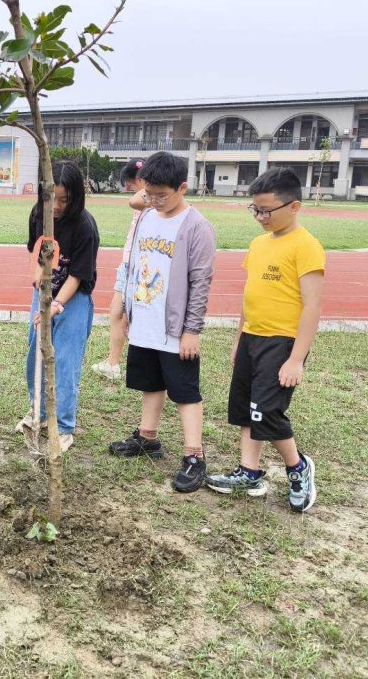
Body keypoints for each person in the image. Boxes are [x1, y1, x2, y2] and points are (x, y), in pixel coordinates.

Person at [206, 167, 324, 513]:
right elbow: (251, 295)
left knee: (268, 412)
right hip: (251, 338)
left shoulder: (306, 246)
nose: (259, 217)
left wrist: (296, 359)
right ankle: (249, 472)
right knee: (246, 409)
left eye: (266, 211)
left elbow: (312, 306)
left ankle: (298, 467)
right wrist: (238, 338)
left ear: (294, 206)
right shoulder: (259, 244)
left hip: (281, 342)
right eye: (255, 210)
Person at [107, 152, 216, 493]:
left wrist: (191, 331)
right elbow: (135, 265)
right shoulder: (145, 216)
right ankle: (148, 437)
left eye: (161, 196)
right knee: (150, 383)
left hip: (175, 328)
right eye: (149, 194)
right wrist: (129, 310)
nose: (153, 201)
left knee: (184, 392)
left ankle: (194, 455)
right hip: (145, 318)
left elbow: (200, 283)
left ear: (182, 187)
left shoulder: (197, 227)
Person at [16, 162, 99, 452]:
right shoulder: (38, 214)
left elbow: (77, 275)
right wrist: (38, 276)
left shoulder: (84, 226)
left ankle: (63, 426)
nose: (58, 206)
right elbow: (37, 252)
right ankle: (37, 412)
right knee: (34, 354)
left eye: (65, 199)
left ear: (76, 197)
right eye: (52, 198)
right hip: (43, 294)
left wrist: (57, 304)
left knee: (64, 362)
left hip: (73, 299)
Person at [92, 158, 145, 381]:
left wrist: (146, 185)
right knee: (116, 312)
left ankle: (115, 363)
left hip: (137, 266)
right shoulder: (147, 199)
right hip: (128, 263)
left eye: (130, 183)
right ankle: (113, 362)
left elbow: (134, 200)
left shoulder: (148, 197)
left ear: (140, 179)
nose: (129, 188)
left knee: (122, 313)